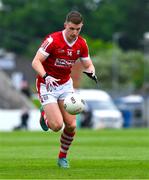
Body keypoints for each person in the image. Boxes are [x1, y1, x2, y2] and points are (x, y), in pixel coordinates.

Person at [32, 10, 97, 168]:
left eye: (78, 29)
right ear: (65, 25)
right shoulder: (52, 40)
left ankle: (62, 157)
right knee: (56, 126)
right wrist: (46, 76)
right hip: (47, 85)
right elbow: (36, 62)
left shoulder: (81, 43)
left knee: (71, 125)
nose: (74, 33)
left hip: (65, 85)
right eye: (72, 29)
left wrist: (91, 71)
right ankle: (44, 114)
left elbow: (88, 64)